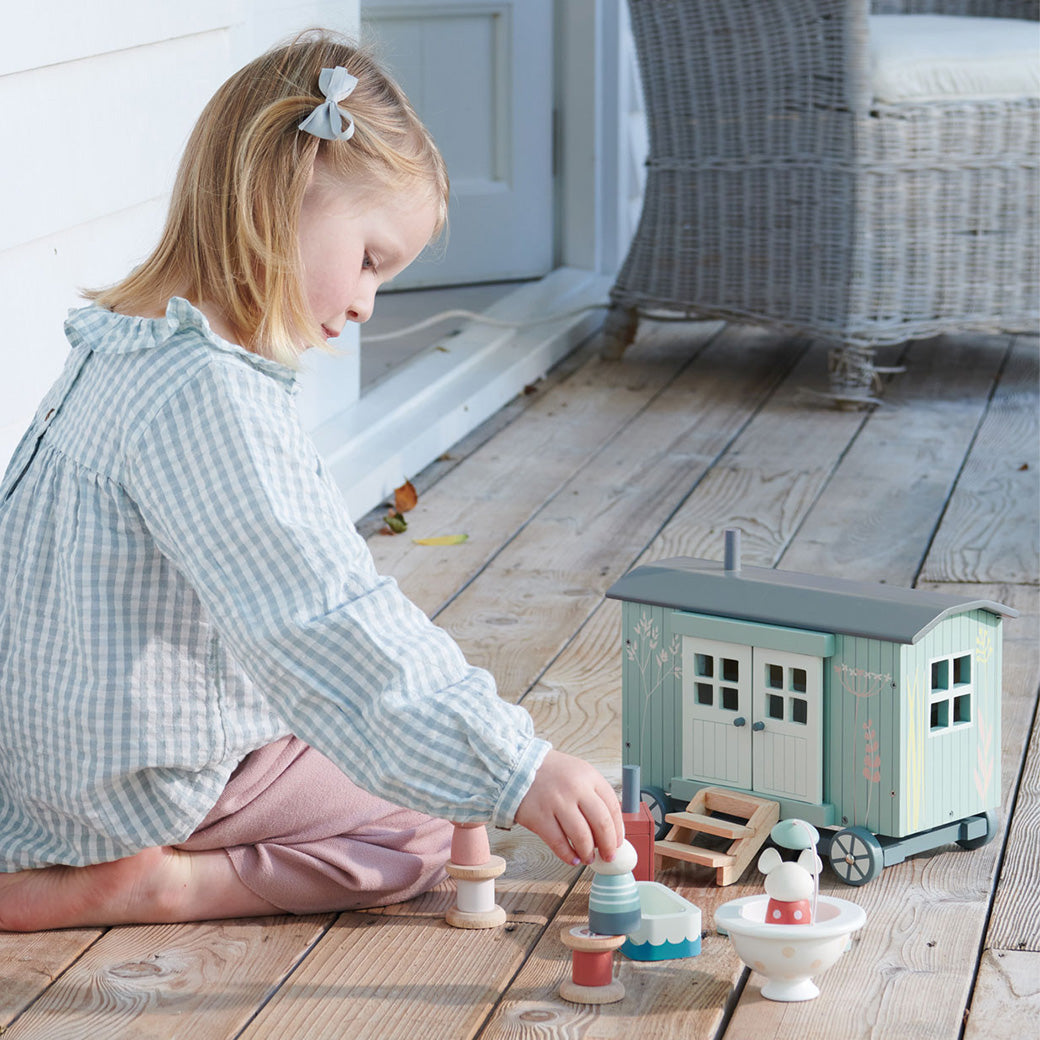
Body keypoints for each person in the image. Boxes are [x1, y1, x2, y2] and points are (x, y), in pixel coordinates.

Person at [0, 30, 622, 932]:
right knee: (425, 827)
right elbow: (324, 618)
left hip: (37, 764)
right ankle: (155, 883)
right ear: (283, 193)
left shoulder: (121, 344)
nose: (370, 303)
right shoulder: (214, 399)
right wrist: (515, 767)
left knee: (373, 748)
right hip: (128, 789)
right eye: (369, 258)